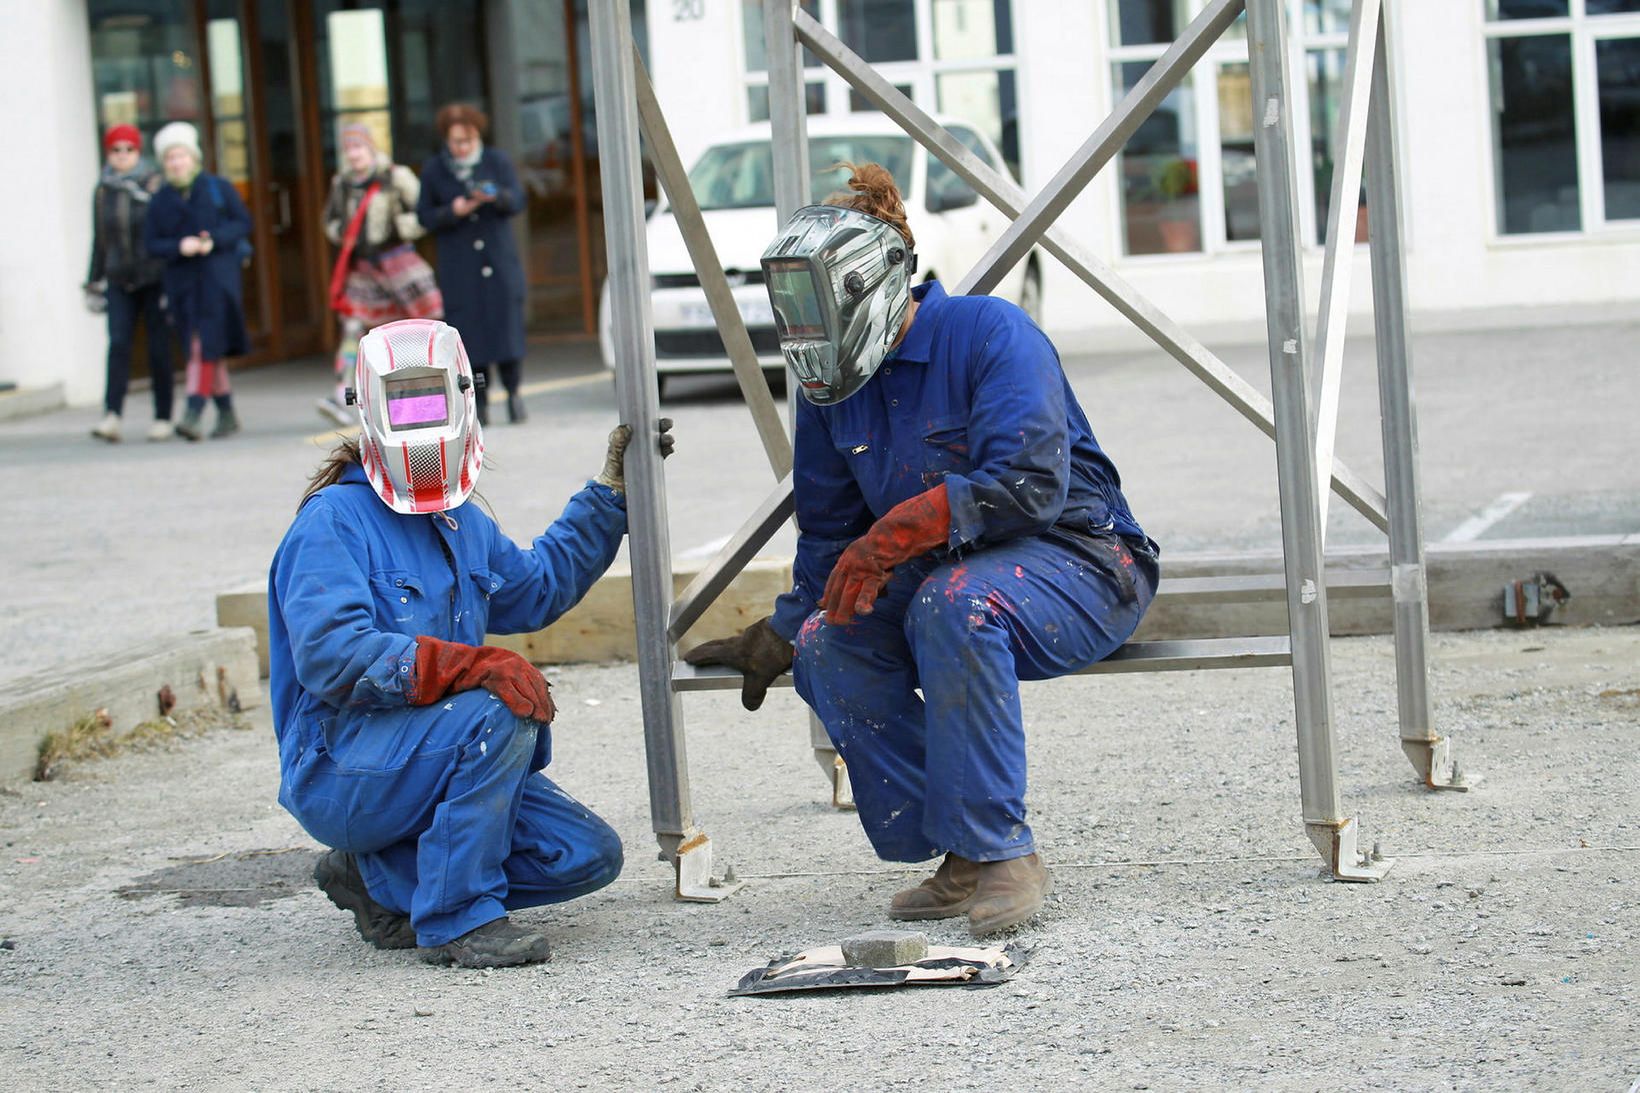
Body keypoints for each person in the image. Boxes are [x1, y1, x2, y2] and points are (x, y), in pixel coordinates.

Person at [685, 164, 1160, 937]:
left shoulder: (989, 333)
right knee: (827, 644)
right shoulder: (829, 390)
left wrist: (900, 532)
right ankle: (961, 852)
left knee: (954, 601)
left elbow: (1032, 484)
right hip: (957, 579)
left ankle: (1003, 850)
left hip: (1086, 563)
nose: (805, 327)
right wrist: (782, 632)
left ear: (867, 286)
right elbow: (834, 536)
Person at [269, 318, 673, 968]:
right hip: (344, 765)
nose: (424, 431)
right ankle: (456, 918)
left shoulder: (459, 523)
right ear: (369, 409)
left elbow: (536, 587)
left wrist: (608, 498)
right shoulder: (332, 524)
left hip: (426, 755)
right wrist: (465, 666)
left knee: (585, 854)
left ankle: (375, 880)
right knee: (494, 708)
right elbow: (332, 655)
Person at [316, 123, 444, 427]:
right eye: (349, 149)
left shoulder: (394, 176)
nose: (354, 154)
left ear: (371, 147)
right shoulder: (342, 183)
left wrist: (404, 226)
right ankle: (340, 394)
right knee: (353, 328)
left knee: (412, 332)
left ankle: (424, 395)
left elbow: (424, 210)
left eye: (359, 147)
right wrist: (342, 234)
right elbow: (329, 219)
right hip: (364, 268)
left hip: (398, 264)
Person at [416, 103, 528, 426]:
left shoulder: (496, 161)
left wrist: (496, 197)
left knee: (506, 329)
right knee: (470, 338)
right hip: (460, 266)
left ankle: (514, 393)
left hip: (498, 259)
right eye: (456, 142)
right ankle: (479, 404)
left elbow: (517, 199)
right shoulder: (435, 170)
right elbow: (425, 216)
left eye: (467, 140)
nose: (462, 148)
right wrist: (455, 210)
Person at [143, 121, 251, 441]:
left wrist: (212, 240)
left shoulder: (218, 188)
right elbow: (151, 243)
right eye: (171, 158)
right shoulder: (160, 199)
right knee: (205, 346)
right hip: (183, 285)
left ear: (194, 157)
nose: (177, 163)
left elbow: (242, 223)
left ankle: (192, 411)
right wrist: (180, 246)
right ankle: (227, 413)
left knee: (202, 345)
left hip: (217, 282)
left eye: (182, 156)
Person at [85, 123, 173, 443]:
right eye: (116, 149)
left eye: (129, 149)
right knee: (119, 343)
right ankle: (112, 415)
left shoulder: (154, 185)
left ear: (139, 152)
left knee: (158, 347)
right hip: (118, 277)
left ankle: (163, 416)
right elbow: (100, 238)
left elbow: (165, 230)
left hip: (153, 277)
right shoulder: (103, 189)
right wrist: (93, 280)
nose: (122, 155)